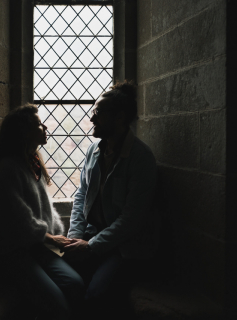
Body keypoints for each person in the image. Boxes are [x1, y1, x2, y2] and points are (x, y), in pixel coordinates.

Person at [63, 81, 161, 317]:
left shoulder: (141, 158)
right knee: (63, 280)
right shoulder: (93, 150)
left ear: (119, 117)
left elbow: (131, 221)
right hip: (91, 236)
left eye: (98, 113)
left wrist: (92, 246)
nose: (92, 118)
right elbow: (81, 196)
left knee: (96, 294)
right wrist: (75, 237)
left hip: (123, 249)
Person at [0, 104, 84, 320]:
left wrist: (57, 236)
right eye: (39, 124)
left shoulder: (33, 162)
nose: (45, 126)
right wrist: (52, 239)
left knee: (75, 284)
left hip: (35, 246)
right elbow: (18, 220)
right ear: (24, 132)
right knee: (57, 305)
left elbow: (44, 208)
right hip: (11, 252)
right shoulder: (8, 168)